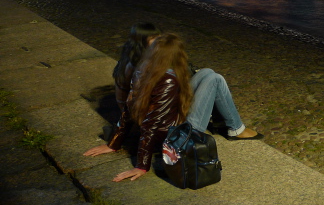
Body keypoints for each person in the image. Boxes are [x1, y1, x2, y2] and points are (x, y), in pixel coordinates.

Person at [84, 33, 262, 182]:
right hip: (178, 135)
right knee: (214, 79)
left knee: (208, 73)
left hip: (170, 119)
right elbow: (152, 124)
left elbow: (130, 108)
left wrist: (114, 142)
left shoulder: (143, 69)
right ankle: (236, 129)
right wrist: (142, 166)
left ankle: (235, 127)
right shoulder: (167, 78)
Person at [112, 23, 162, 114]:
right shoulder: (135, 64)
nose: (158, 40)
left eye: (159, 36)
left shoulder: (142, 54)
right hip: (130, 111)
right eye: (153, 38)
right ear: (141, 41)